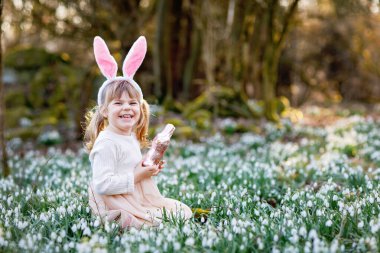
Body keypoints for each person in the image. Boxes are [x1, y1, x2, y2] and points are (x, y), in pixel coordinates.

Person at [84, 35, 192, 229]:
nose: (127, 108)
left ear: (140, 108)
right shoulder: (106, 142)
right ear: (105, 110)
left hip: (135, 196)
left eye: (132, 103)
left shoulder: (129, 136)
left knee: (182, 211)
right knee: (155, 223)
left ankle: (136, 217)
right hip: (115, 200)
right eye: (118, 103)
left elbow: (129, 167)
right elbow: (102, 185)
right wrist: (137, 176)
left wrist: (148, 167)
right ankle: (119, 219)